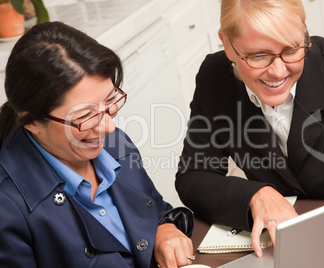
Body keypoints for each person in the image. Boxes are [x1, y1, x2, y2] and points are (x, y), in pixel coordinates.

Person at [175, 0, 324, 258]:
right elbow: (193, 175)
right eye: (258, 55)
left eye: (292, 50)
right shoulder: (212, 76)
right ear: (227, 44)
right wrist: (256, 194)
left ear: (305, 34)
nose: (278, 72)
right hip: (284, 248)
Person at [0, 21, 194, 268]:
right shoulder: (8, 207)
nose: (109, 127)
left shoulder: (114, 145)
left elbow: (153, 209)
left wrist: (164, 228)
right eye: (84, 116)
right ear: (33, 121)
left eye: (111, 101)